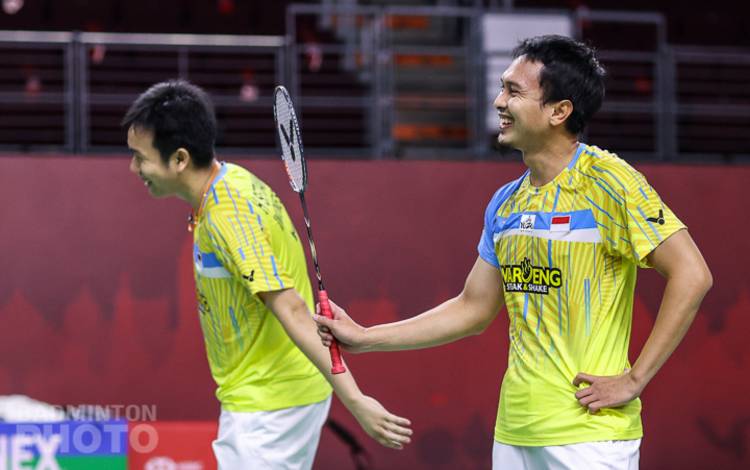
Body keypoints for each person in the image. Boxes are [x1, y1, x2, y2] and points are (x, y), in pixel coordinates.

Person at [314, 35, 712, 470]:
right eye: (502, 88)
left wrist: (635, 379)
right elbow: (473, 308)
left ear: (559, 111)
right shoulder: (506, 202)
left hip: (589, 436)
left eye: (514, 91)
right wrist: (367, 338)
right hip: (515, 434)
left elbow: (692, 274)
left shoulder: (609, 182)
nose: (499, 101)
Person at [122, 80, 412, 469]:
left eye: (140, 157)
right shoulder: (234, 181)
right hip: (274, 393)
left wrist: (356, 399)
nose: (134, 168)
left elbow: (291, 309)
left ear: (178, 159)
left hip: (269, 407)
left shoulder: (229, 214)